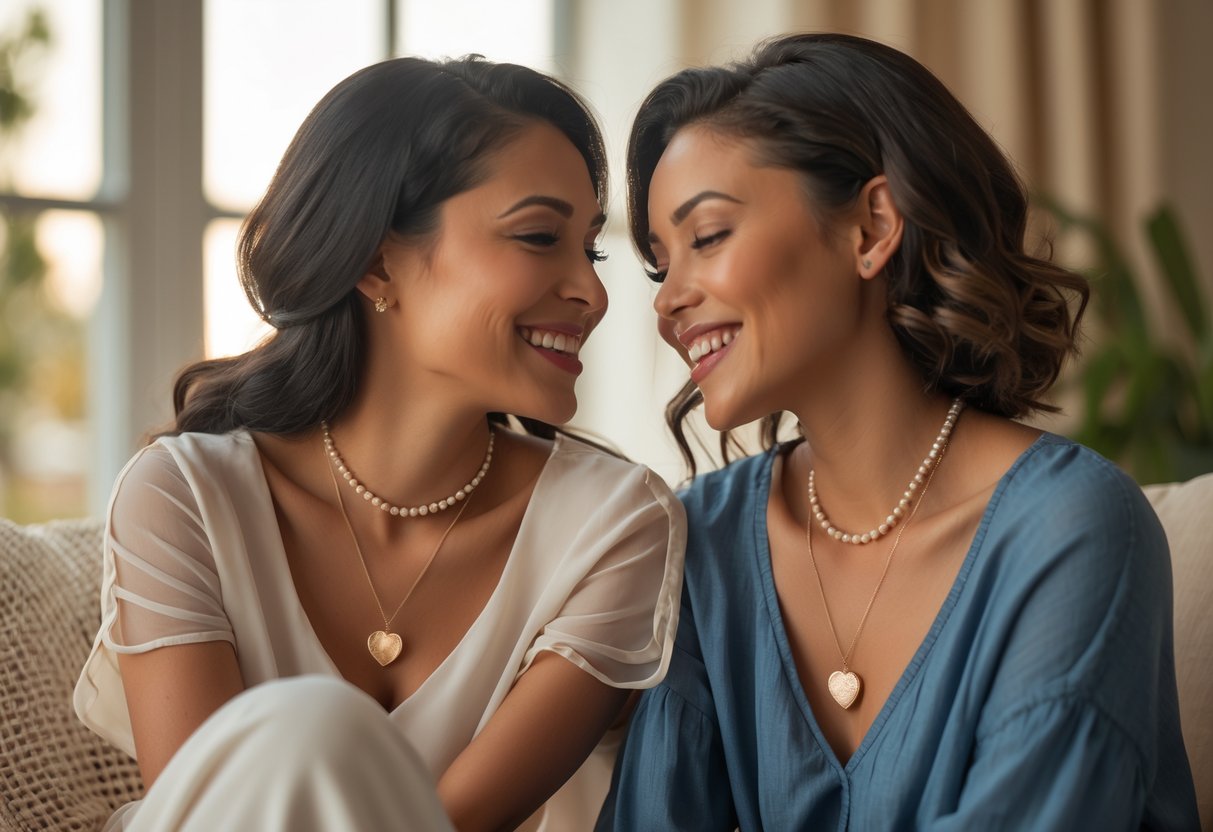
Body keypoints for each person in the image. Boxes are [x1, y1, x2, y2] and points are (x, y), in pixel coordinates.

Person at [597, 33, 1199, 830]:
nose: (667, 301)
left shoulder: (1074, 529)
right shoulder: (700, 544)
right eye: (659, 264)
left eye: (706, 238)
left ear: (872, 227)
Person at [73, 54, 685, 832]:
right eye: (538, 237)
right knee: (309, 732)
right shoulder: (182, 498)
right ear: (374, 260)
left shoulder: (615, 526)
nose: (592, 293)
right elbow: (204, 811)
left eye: (590, 248)